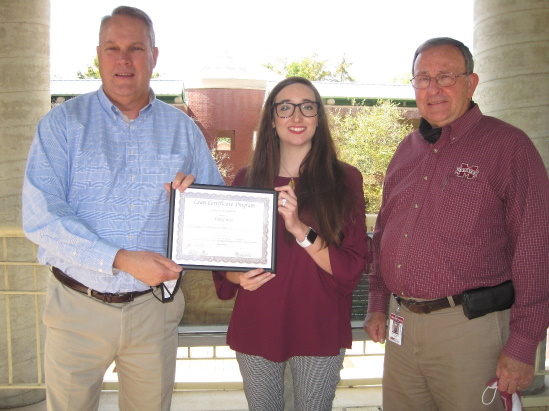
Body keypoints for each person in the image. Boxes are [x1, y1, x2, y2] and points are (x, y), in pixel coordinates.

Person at [22, 6, 224, 410]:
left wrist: (195, 197)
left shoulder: (183, 129)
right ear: (98, 55)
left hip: (154, 310)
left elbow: (216, 207)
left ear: (154, 55)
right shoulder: (61, 124)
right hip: (76, 308)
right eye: (112, 48)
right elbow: (41, 217)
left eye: (135, 47)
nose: (123, 58)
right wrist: (121, 259)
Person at [364, 37, 549, 411]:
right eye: (423, 78)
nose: (433, 88)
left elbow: (535, 247)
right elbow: (384, 233)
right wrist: (377, 301)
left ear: (472, 82)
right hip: (401, 328)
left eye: (446, 76)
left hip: (470, 331)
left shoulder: (508, 146)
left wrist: (524, 342)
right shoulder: (406, 149)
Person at [213, 76, 369, 410]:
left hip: (319, 322)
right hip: (259, 322)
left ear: (318, 118)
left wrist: (301, 229)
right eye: (285, 108)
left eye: (307, 108)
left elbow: (352, 266)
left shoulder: (345, 179)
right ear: (271, 119)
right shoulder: (246, 178)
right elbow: (224, 259)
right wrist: (235, 277)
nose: (296, 117)